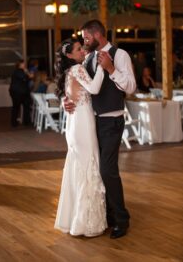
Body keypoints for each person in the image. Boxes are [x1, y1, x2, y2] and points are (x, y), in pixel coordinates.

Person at [64, 19, 136, 239]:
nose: (84, 41)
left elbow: (131, 87)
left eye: (86, 37)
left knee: (107, 170)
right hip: (90, 123)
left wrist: (111, 68)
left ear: (97, 35)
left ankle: (121, 219)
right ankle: (107, 214)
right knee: (96, 168)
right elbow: (79, 87)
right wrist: (67, 101)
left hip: (112, 121)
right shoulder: (88, 58)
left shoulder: (120, 54)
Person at [54, 38, 107, 237]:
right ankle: (86, 223)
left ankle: (77, 219)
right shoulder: (77, 69)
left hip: (76, 123)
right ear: (69, 55)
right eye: (78, 49)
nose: (82, 51)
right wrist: (103, 68)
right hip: (83, 123)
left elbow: (72, 95)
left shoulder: (70, 71)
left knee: (81, 166)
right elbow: (94, 89)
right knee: (89, 165)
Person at [9, 59, 32, 127]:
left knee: (23, 106)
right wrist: (27, 72)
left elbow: (27, 79)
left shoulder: (18, 71)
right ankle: (16, 123)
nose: (25, 65)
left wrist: (28, 75)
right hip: (18, 92)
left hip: (19, 92)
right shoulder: (19, 71)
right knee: (17, 107)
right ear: (20, 64)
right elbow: (27, 78)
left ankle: (24, 122)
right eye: (23, 63)